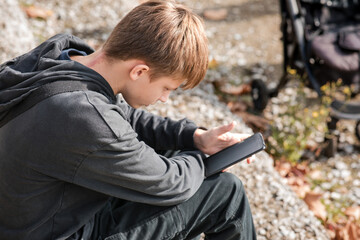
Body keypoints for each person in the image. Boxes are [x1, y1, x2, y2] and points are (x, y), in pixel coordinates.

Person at [0, 1, 257, 239]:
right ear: (140, 71)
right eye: (167, 88)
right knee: (225, 192)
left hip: (29, 212)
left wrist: (194, 138)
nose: (165, 98)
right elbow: (170, 183)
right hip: (57, 231)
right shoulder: (86, 117)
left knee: (177, 152)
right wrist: (204, 161)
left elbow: (122, 118)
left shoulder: (61, 54)